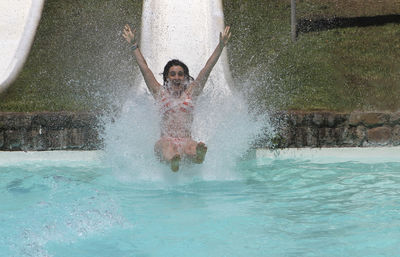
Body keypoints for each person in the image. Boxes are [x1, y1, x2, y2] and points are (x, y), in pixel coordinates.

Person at [122, 24, 231, 172]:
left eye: (180, 74)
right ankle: (173, 159)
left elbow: (207, 69)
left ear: (185, 77)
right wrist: (134, 45)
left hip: (186, 139)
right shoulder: (159, 93)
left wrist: (221, 45)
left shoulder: (191, 93)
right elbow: (145, 69)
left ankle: (196, 155)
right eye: (172, 74)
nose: (177, 77)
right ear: (167, 77)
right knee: (168, 146)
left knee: (191, 146)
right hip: (165, 141)